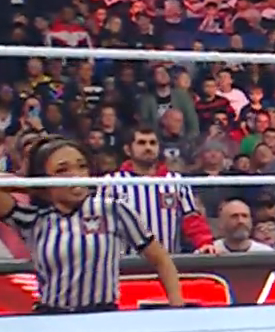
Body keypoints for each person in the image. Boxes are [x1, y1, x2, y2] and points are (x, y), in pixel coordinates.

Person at [0, 134, 184, 313]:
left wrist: (177, 307)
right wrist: (35, 185)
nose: (76, 175)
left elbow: (161, 259)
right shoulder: (34, 218)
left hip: (102, 316)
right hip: (54, 317)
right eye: (62, 170)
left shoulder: (112, 210)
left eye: (82, 167)